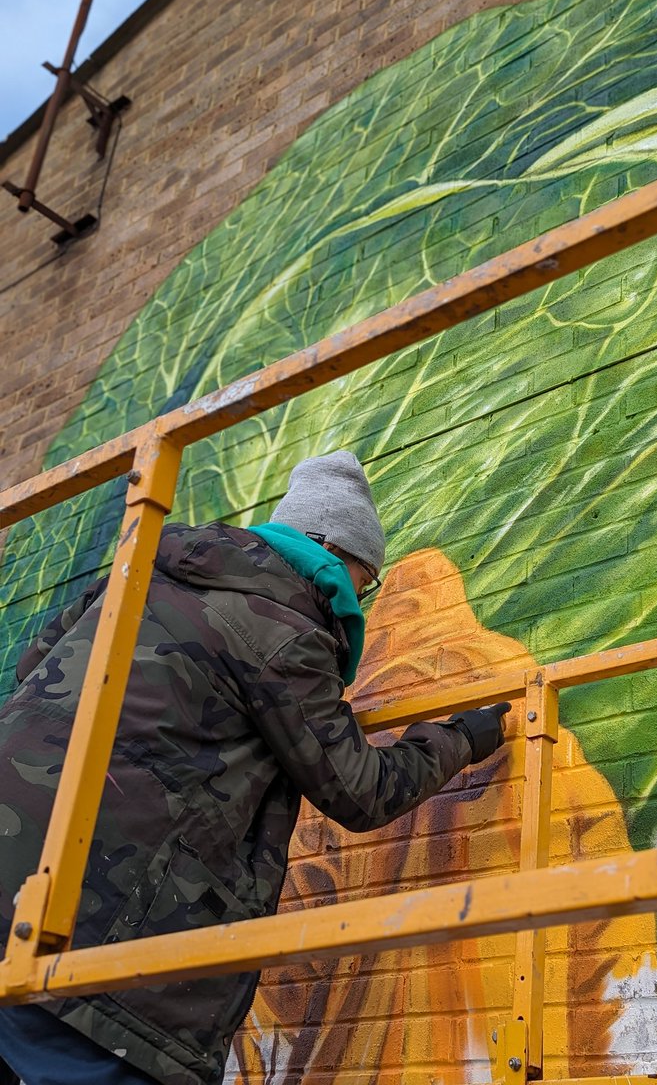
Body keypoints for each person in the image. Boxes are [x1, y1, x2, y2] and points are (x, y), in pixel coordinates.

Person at [0, 450, 510, 1085]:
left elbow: (29, 671)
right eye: (365, 583)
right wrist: (464, 735)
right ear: (334, 556)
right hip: (102, 948)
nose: (363, 600)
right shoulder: (283, 629)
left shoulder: (135, 574)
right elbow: (362, 792)